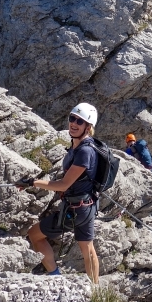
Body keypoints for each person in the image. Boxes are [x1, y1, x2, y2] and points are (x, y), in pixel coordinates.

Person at [17, 103, 100, 283]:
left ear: (88, 126)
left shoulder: (84, 151)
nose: (74, 123)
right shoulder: (80, 145)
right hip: (86, 207)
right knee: (88, 249)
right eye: (72, 118)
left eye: (80, 121)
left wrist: (33, 182)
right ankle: (95, 290)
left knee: (35, 235)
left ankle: (56, 277)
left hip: (76, 210)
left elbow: (63, 184)